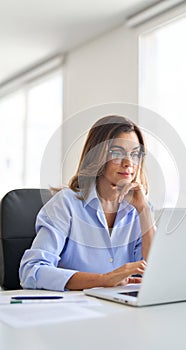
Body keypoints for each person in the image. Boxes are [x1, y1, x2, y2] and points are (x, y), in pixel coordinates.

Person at [19, 115, 156, 291]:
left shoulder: (139, 208)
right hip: (72, 309)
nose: (129, 163)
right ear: (98, 155)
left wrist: (144, 210)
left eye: (135, 154)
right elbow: (31, 271)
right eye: (117, 152)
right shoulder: (66, 204)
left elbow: (153, 272)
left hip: (121, 308)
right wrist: (103, 279)